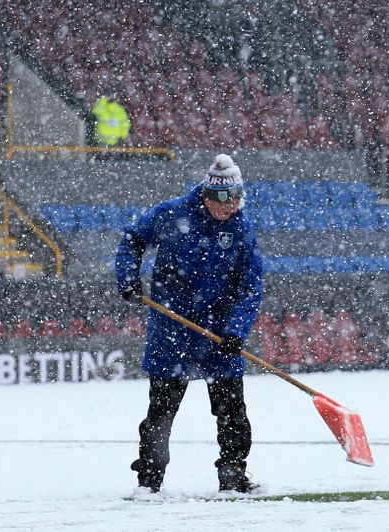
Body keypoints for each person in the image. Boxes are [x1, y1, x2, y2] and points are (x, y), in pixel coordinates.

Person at [115, 154, 264, 495]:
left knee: (232, 413)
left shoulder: (241, 229)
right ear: (209, 197)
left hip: (219, 334)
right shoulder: (172, 214)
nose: (233, 206)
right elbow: (132, 239)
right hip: (173, 332)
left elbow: (251, 286)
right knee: (161, 412)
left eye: (238, 198)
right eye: (227, 200)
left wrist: (235, 332)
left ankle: (233, 476)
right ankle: (149, 482)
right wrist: (128, 278)